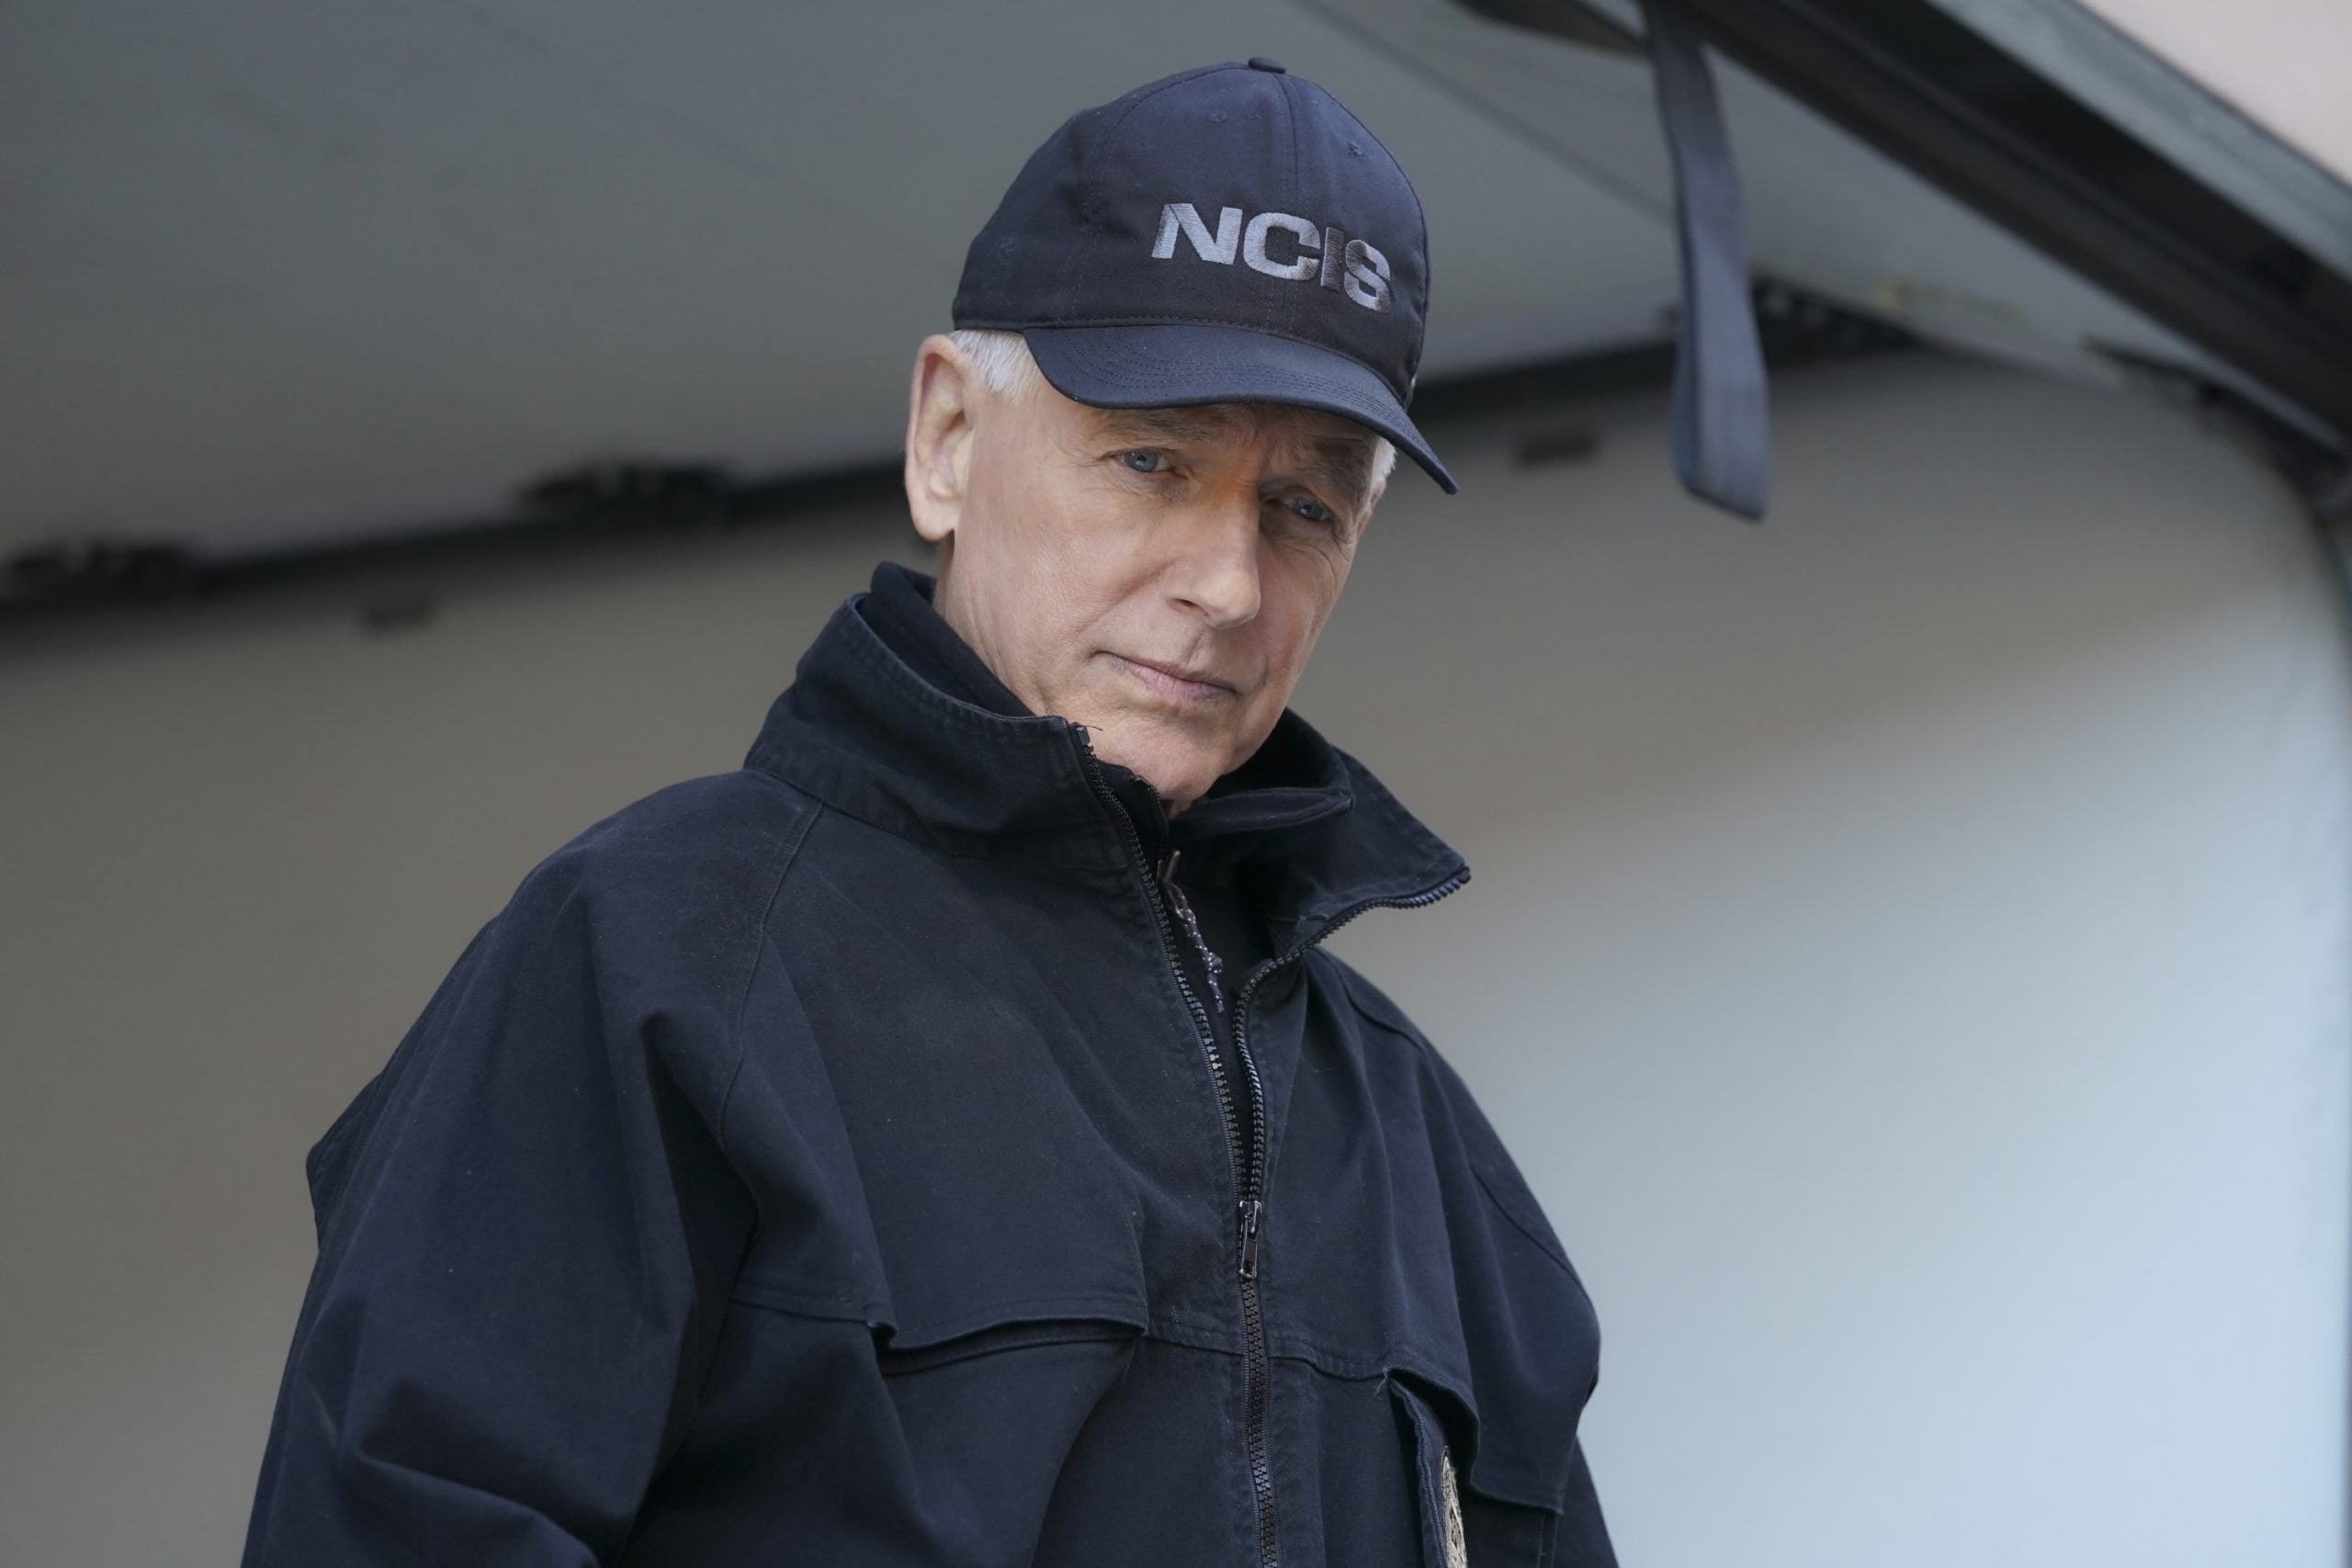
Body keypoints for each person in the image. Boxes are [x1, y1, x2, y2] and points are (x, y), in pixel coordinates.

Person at [243, 59, 1612, 1568]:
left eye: (1305, 506)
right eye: (1153, 461)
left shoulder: (1407, 1126)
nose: (1229, 584)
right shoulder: (652, 965)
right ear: (948, 438)